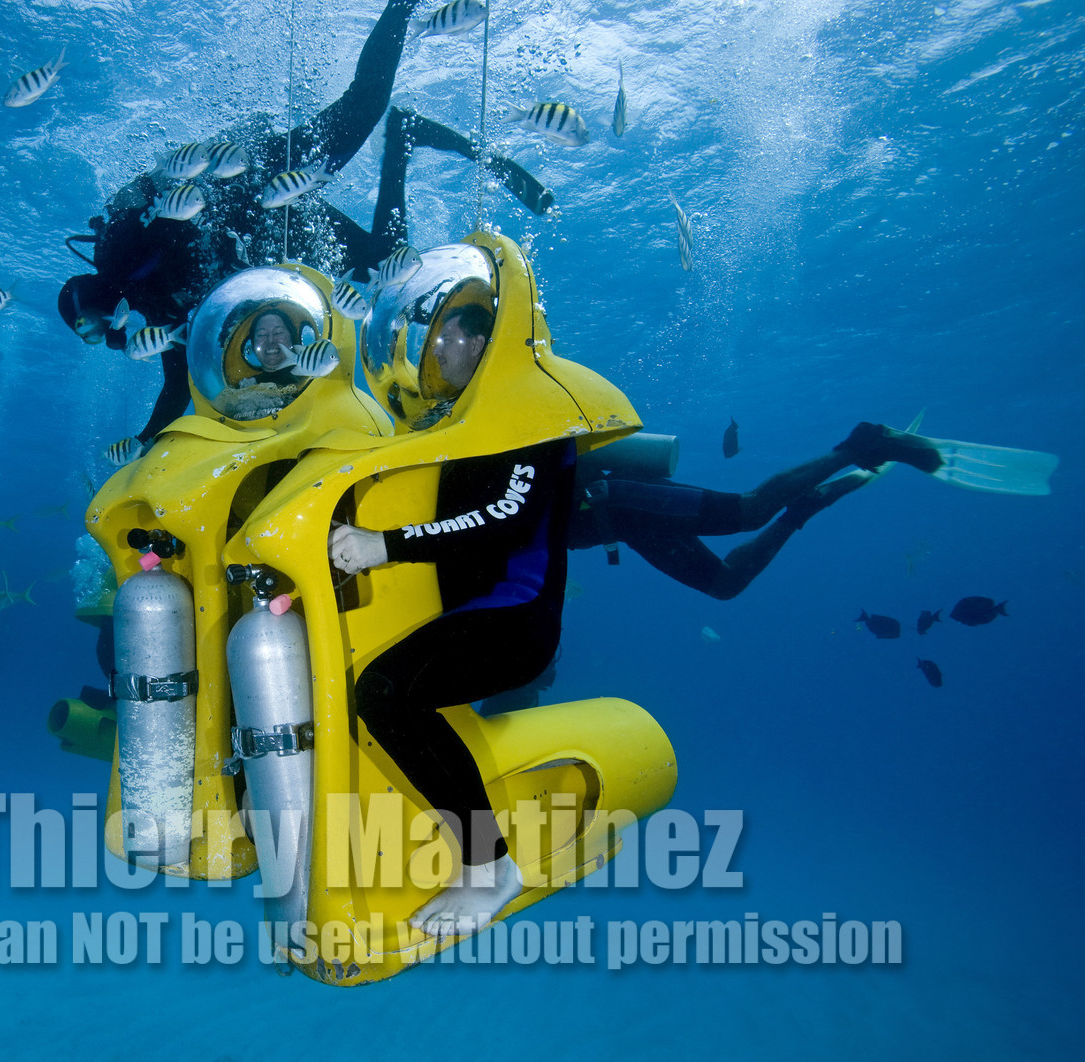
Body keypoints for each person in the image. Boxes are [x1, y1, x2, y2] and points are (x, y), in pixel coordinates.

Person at [59, 0, 552, 457]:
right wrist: (146, 440)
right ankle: (403, 138)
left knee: (364, 104)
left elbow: (157, 190)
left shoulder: (118, 256)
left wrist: (216, 162)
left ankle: (402, 6)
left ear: (92, 304)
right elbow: (177, 379)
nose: (105, 337)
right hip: (272, 231)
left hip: (254, 179)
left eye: (90, 329)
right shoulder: (152, 305)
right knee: (389, 266)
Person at [328, 304, 580, 938]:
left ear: (485, 342)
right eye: (433, 337)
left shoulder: (535, 411)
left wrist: (384, 546)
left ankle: (491, 868)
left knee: (386, 694)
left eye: (448, 338)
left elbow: (507, 517)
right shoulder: (464, 415)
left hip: (519, 617)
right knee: (383, 693)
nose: (435, 350)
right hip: (477, 611)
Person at [570, 423, 945, 600]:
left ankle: (861, 446)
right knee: (725, 584)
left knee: (749, 512)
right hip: (620, 524)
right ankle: (803, 507)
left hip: (615, 499)